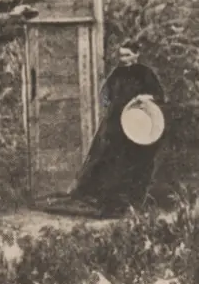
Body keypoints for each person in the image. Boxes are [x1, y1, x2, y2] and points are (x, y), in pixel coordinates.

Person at [66, 40, 166, 218]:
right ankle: (108, 204)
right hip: (115, 122)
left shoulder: (145, 73)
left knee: (131, 163)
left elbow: (158, 95)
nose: (123, 59)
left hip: (135, 121)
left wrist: (144, 97)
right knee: (109, 161)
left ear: (136, 55)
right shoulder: (117, 73)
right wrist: (107, 103)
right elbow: (105, 92)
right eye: (121, 55)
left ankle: (130, 204)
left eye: (127, 55)